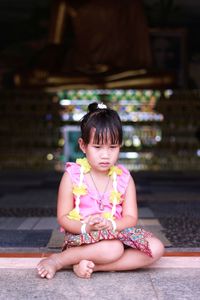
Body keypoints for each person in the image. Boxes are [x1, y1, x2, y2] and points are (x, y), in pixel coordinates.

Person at [37, 102, 164, 279]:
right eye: (97, 147)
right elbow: (63, 217)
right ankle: (58, 260)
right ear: (83, 145)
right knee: (112, 248)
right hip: (83, 237)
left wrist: (111, 225)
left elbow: (130, 218)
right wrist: (86, 226)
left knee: (156, 248)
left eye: (113, 147)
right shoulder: (72, 175)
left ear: (120, 145)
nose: (105, 155)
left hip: (117, 233)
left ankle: (93, 267)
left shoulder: (124, 178)